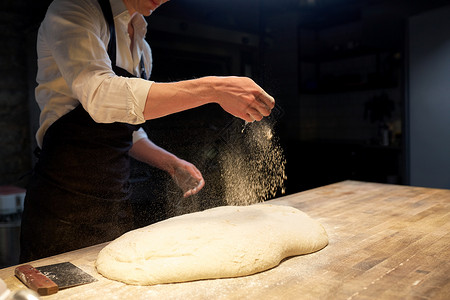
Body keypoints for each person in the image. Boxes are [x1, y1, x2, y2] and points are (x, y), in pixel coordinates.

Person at [20, 0, 275, 262]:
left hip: (115, 202)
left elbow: (125, 129)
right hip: (61, 205)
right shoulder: (74, 9)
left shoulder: (142, 48)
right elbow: (99, 96)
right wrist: (213, 89)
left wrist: (171, 163)